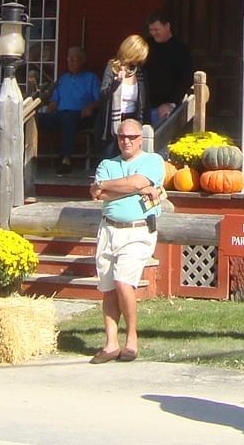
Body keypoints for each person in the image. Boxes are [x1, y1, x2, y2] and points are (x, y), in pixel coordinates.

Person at [88, 117, 166, 363]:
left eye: (132, 137)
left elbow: (134, 182)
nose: (126, 141)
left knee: (123, 283)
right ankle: (111, 344)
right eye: (122, 137)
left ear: (140, 139)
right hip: (109, 230)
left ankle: (131, 339)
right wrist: (132, 188)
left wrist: (114, 187)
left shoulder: (153, 161)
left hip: (138, 230)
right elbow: (98, 193)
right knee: (109, 288)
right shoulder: (107, 164)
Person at [37, 46, 99, 174]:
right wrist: (46, 115)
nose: (70, 61)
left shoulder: (91, 78)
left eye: (74, 58)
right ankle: (26, 158)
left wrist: (90, 107)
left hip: (82, 116)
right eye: (68, 58)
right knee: (35, 118)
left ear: (82, 60)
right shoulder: (63, 79)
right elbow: (54, 102)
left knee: (68, 119)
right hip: (61, 115)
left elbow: (99, 99)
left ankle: (66, 160)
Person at [99, 35, 152, 155]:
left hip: (134, 118)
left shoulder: (140, 72)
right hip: (114, 121)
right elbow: (102, 95)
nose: (139, 61)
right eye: (138, 56)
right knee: (111, 156)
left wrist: (146, 122)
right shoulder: (112, 68)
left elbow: (145, 100)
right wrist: (116, 83)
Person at [145, 10, 192, 123]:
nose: (153, 33)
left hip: (166, 108)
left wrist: (172, 103)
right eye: (151, 30)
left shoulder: (180, 49)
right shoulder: (146, 45)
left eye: (156, 29)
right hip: (145, 105)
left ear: (167, 26)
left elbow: (186, 78)